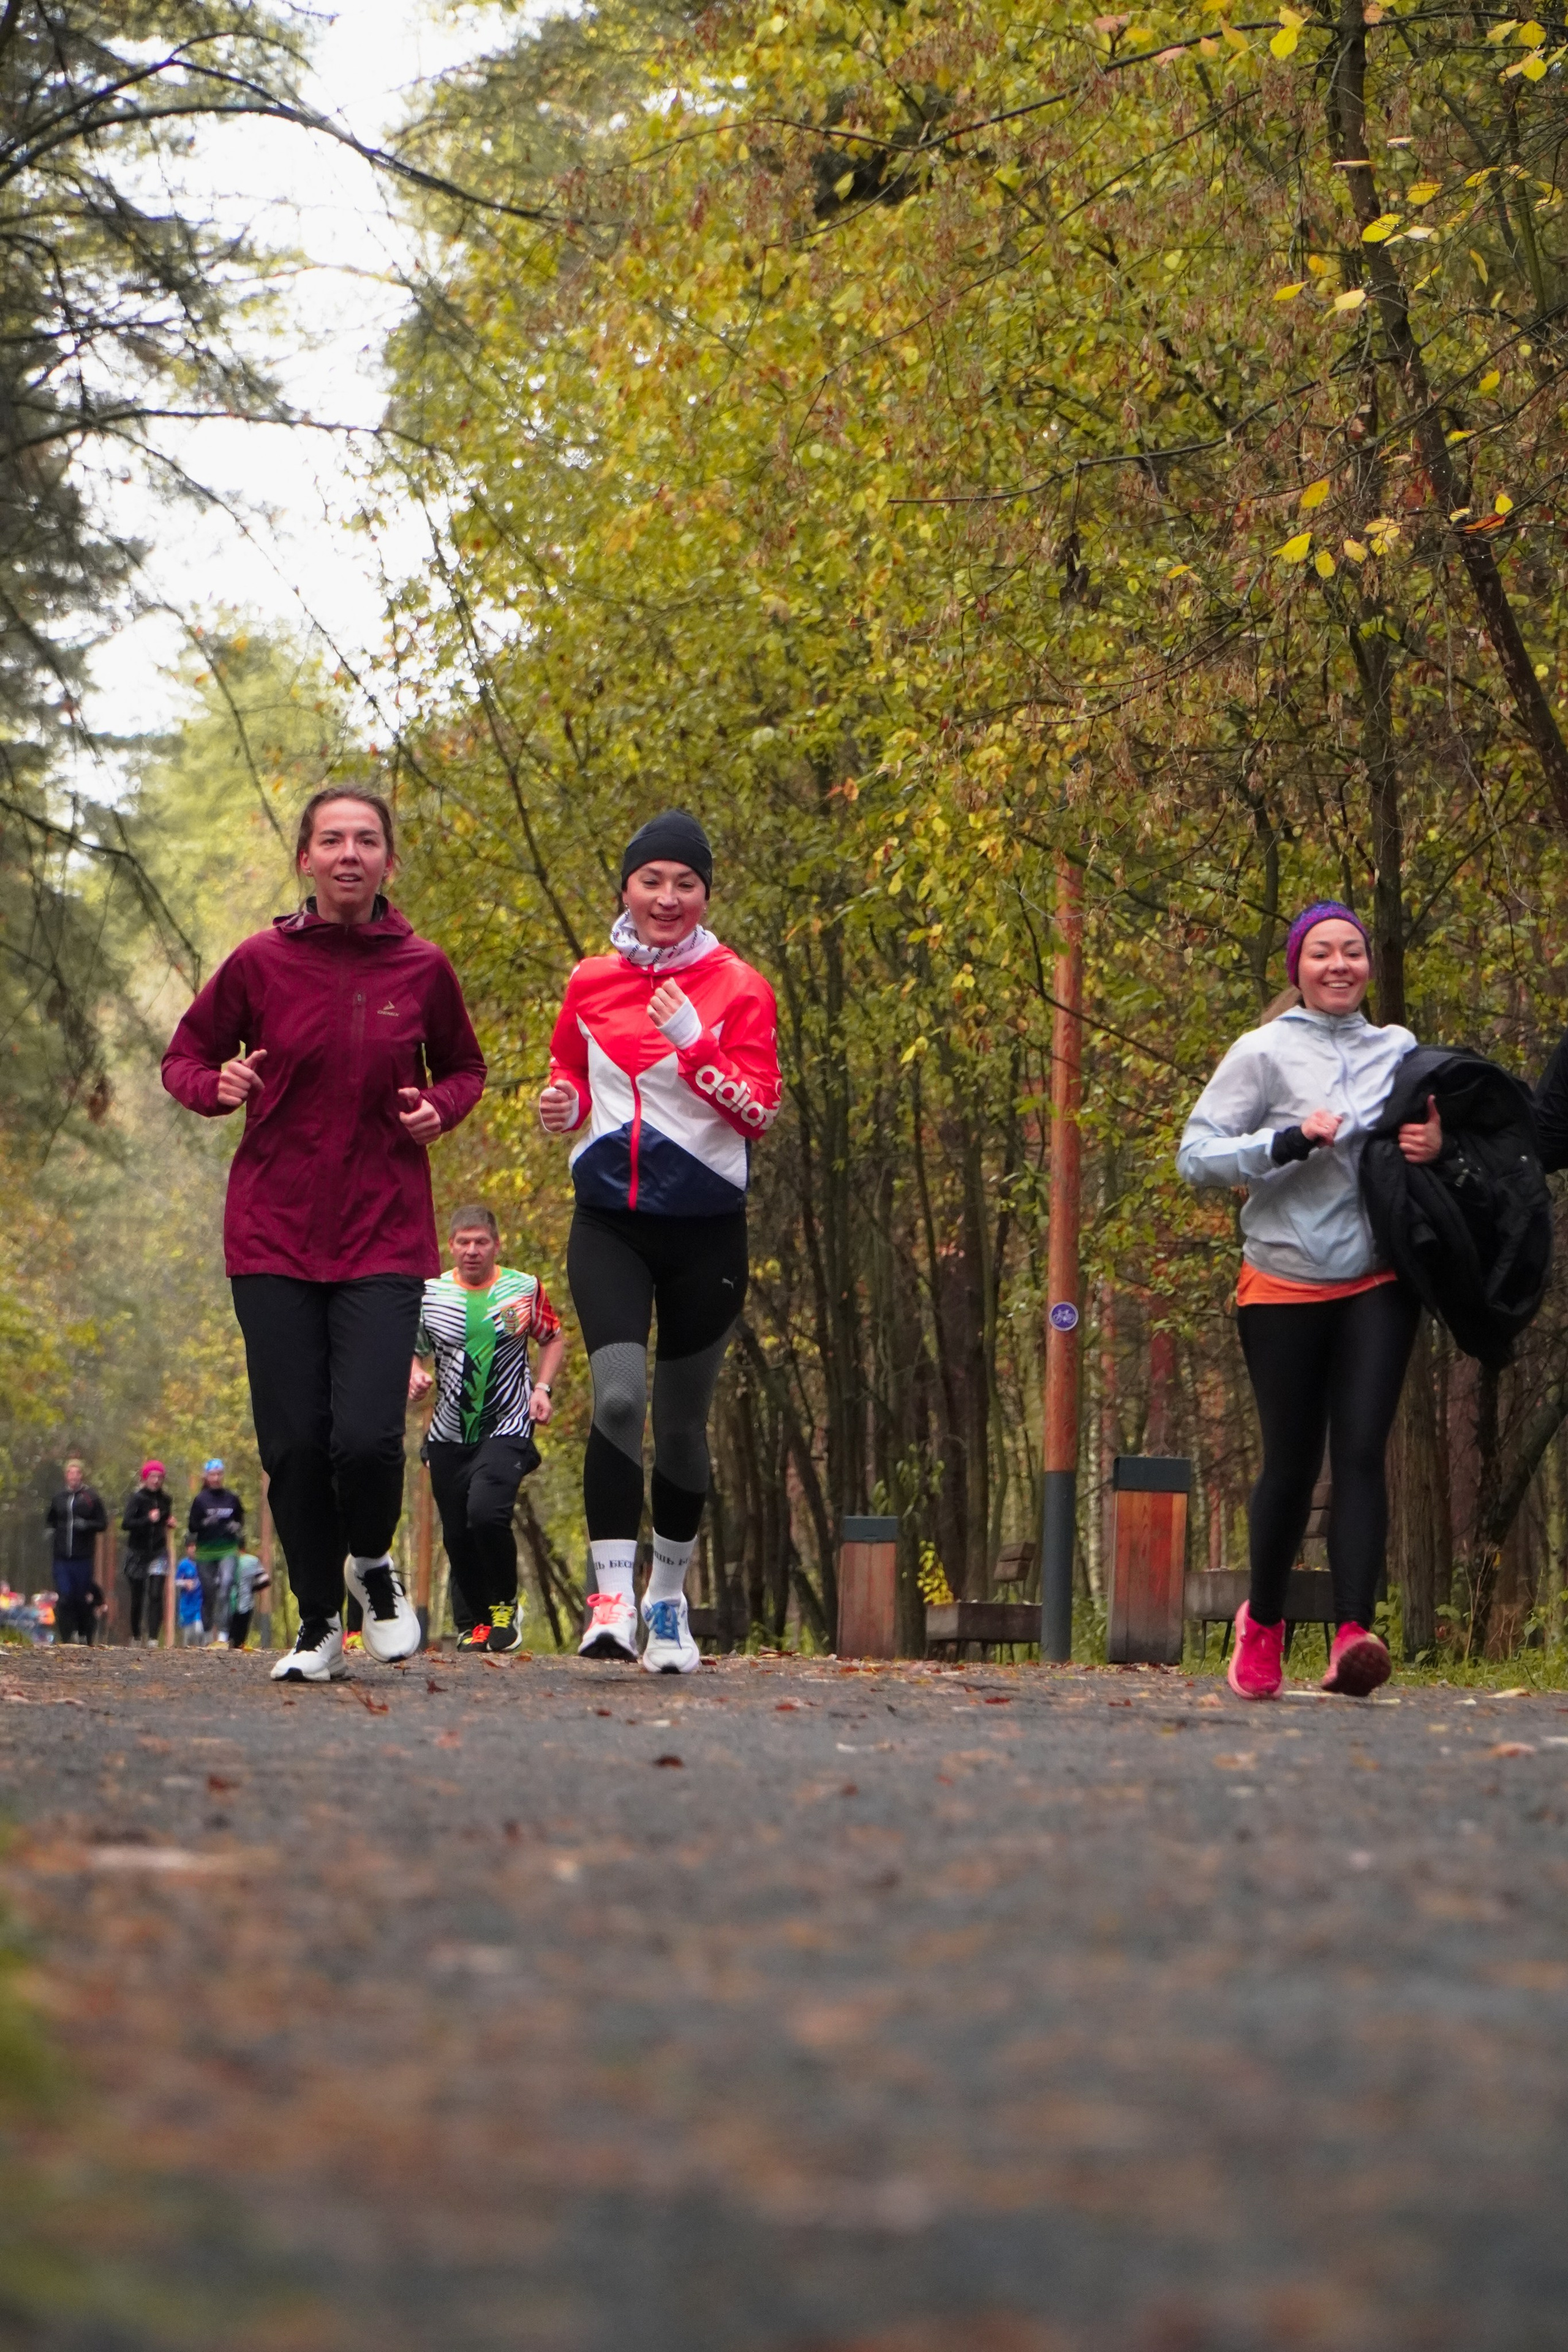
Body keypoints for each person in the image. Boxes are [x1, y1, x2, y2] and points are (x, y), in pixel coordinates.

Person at [162, 786, 487, 1684]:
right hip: (272, 1233)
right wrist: (213, 1086)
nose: (350, 854)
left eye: (368, 840)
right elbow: (184, 1057)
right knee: (296, 1444)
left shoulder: (422, 967)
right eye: (333, 840)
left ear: (388, 861)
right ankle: (314, 1621)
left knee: (368, 1441)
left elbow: (465, 1068)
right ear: (305, 859)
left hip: (383, 1235)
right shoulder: (261, 963)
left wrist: (441, 1109)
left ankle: (372, 1566)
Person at [1178, 904, 1444, 1700]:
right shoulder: (1260, 1053)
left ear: (1368, 964)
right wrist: (1285, 1142)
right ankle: (1262, 1624)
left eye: (1352, 952)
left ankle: (1354, 1634)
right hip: (1283, 1279)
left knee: (1361, 1453)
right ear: (1297, 967)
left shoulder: (1397, 1051)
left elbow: (1434, 1138)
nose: (1339, 965)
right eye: (1322, 953)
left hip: (1376, 1277)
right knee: (1292, 1467)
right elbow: (1195, 1157)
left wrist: (1437, 1146)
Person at [539, 811, 780, 1672]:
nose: (667, 898)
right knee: (616, 1401)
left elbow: (758, 1111)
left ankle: (667, 1602)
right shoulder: (590, 981)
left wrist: (693, 1042)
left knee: (680, 1424)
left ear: (706, 895)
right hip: (609, 1220)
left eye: (685, 884)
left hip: (706, 1230)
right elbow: (567, 1068)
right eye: (652, 882)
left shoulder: (742, 986)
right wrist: (560, 1102)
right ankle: (609, 1600)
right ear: (627, 890)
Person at [410, 1204, 564, 1654]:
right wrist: (414, 1375)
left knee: (487, 1513)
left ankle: (502, 1608)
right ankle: (475, 1621)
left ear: (496, 1245)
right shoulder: (430, 1295)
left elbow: (552, 1337)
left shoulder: (524, 1289)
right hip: (448, 1433)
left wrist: (543, 1388)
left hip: (508, 1423)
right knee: (458, 1532)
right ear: (451, 1246)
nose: (472, 1251)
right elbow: (413, 1350)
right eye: (463, 1242)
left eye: (481, 1242)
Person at [45, 1458, 108, 1646]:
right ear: (66, 1476)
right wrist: (50, 1532)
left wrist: (87, 1525)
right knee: (65, 1597)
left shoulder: (91, 1498)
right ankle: (66, 1636)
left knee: (81, 1597)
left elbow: (102, 1523)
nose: (74, 1477)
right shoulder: (59, 1498)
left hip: (83, 1557)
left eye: (77, 1473)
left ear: (82, 1475)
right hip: (62, 1557)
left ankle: (84, 1633)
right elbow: (51, 1520)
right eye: (70, 1473)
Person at [188, 1459, 244, 1637]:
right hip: (205, 1552)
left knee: (227, 1586)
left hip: (227, 1549)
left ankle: (223, 1633)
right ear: (207, 1477)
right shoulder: (200, 1499)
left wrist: (236, 1526)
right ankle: (206, 1632)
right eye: (213, 1474)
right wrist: (205, 1523)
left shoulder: (232, 1498)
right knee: (209, 1591)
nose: (216, 1478)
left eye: (219, 1474)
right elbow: (192, 1526)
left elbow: (240, 1519)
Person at [122, 1460, 175, 1644]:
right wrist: (147, 1519)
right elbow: (126, 1524)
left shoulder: (166, 1500)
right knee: (138, 1596)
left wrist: (168, 1521)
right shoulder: (137, 1499)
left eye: (160, 1477)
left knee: (156, 1594)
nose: (156, 1481)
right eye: (152, 1477)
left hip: (158, 1552)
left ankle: (153, 1638)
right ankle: (136, 1635)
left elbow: (164, 1517)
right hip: (137, 1553)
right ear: (145, 1478)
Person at [216, 1548, 269, 1649]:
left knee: (227, 1637)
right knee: (240, 1640)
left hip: (228, 1606)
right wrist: (251, 1589)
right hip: (246, 1605)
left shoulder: (225, 1562)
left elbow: (218, 1582)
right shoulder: (252, 1561)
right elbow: (265, 1581)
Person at [175, 1540, 205, 1647]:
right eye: (190, 1547)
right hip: (186, 1605)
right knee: (188, 1634)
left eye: (195, 1546)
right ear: (187, 1549)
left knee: (199, 1629)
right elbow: (176, 1581)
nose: (193, 1549)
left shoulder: (204, 1563)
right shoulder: (183, 1564)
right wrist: (185, 1583)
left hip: (200, 1603)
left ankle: (201, 1648)